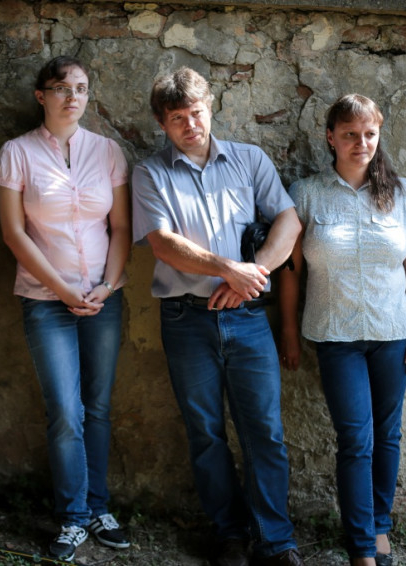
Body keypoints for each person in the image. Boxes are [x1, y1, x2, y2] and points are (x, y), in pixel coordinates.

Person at [131, 67, 305, 566]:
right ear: (162, 124)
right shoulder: (150, 173)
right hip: (186, 320)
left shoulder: (249, 160)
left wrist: (253, 273)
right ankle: (229, 535)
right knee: (205, 432)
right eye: (177, 118)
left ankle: (275, 539)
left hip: (248, 316)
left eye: (196, 113)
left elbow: (289, 220)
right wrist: (228, 268)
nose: (190, 125)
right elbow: (163, 244)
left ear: (211, 108)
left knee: (264, 431)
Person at [279, 94, 406, 566]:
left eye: (369, 134)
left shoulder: (401, 192)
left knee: (388, 436)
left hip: (393, 333)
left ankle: (380, 528)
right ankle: (362, 547)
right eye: (350, 134)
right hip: (335, 336)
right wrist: (288, 331)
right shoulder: (306, 193)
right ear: (331, 137)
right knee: (355, 439)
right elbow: (290, 273)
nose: (361, 143)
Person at [0, 55, 131, 562]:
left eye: (81, 88)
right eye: (62, 88)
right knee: (66, 411)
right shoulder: (16, 153)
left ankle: (98, 508)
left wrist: (107, 285)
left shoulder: (108, 151)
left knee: (98, 405)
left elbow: (121, 227)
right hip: (45, 300)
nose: (73, 97)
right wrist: (62, 289)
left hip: (103, 299)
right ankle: (73, 517)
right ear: (41, 96)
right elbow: (13, 233)